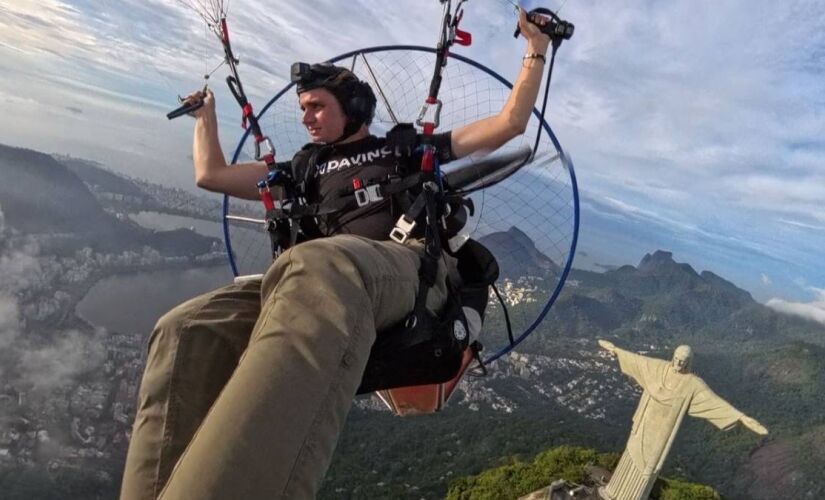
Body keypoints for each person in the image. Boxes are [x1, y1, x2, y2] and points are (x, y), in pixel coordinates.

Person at [120, 9, 553, 500]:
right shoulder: (302, 171)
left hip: (405, 276)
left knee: (323, 262)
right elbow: (212, 176)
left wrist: (535, 49)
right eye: (303, 108)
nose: (305, 117)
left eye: (316, 107)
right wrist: (206, 118)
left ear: (351, 108)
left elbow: (510, 124)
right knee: (186, 328)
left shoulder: (404, 150)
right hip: (320, 284)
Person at [596, 340, 768, 500]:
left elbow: (714, 401)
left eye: (683, 361)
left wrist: (741, 417)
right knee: (630, 454)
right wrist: (616, 351)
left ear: (688, 362)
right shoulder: (658, 368)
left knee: (646, 468)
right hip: (644, 423)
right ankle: (613, 491)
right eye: (677, 359)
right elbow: (638, 362)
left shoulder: (692, 384)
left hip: (660, 435)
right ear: (673, 357)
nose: (679, 363)